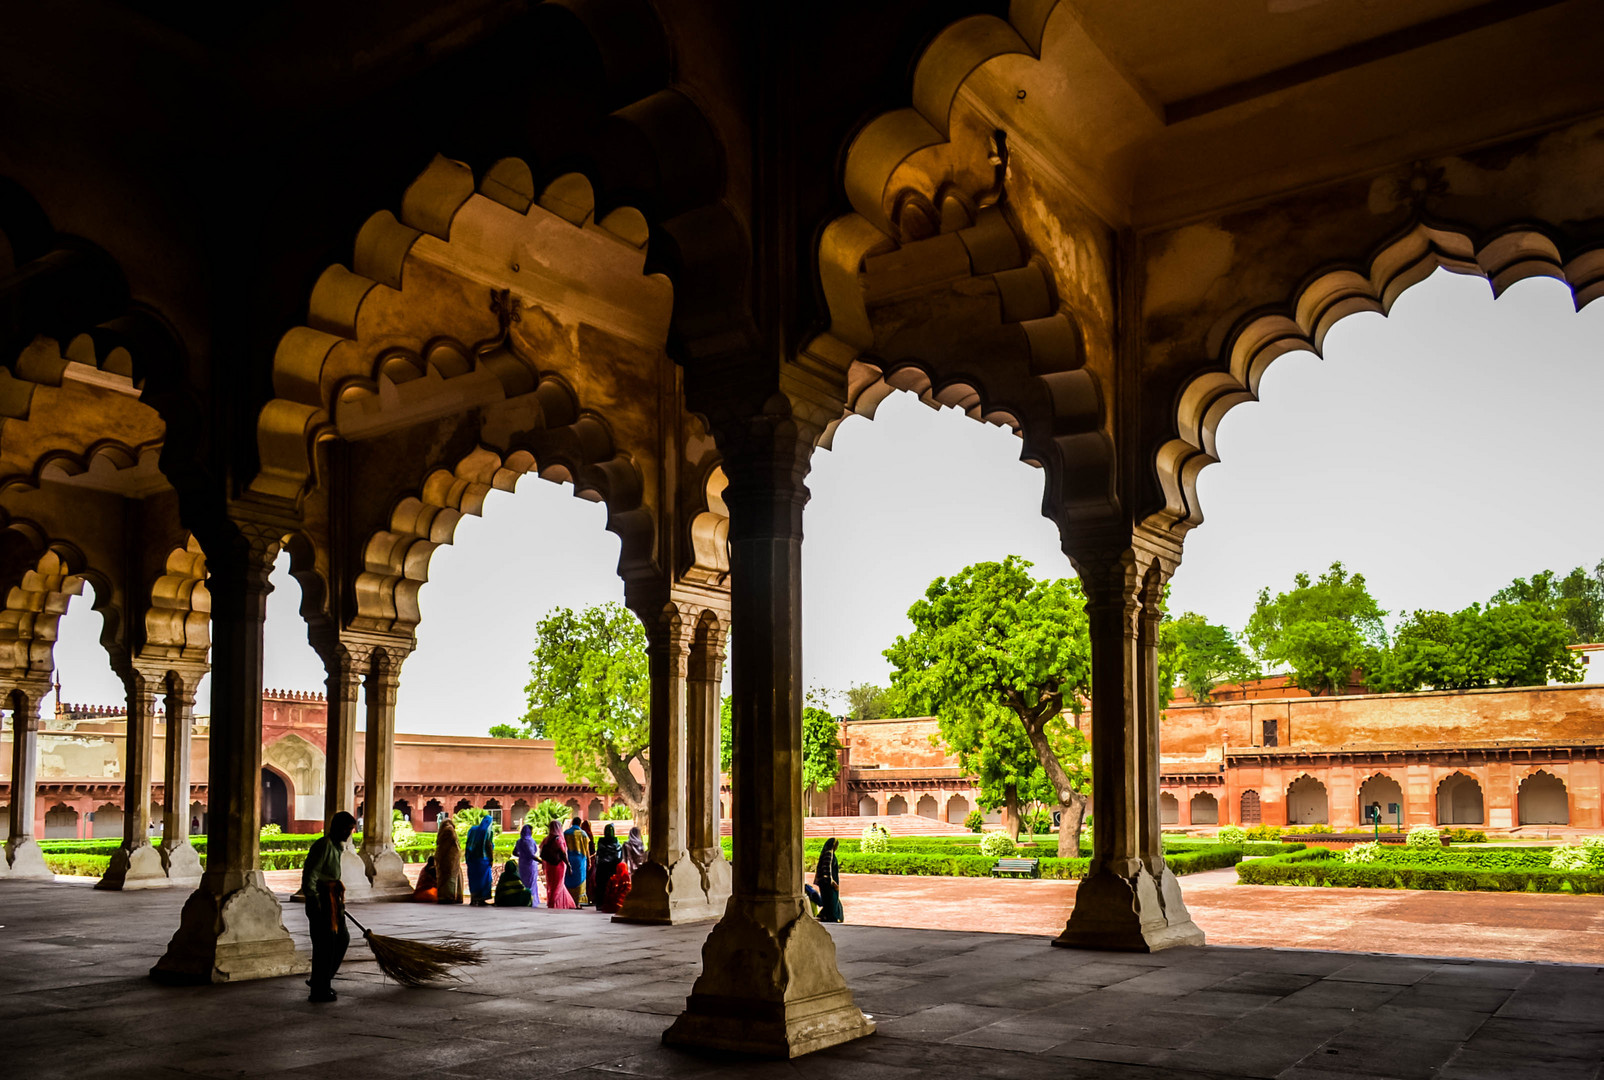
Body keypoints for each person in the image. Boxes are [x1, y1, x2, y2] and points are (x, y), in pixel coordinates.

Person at [301, 810, 357, 1003]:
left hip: (332, 900)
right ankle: (319, 988)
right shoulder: (323, 845)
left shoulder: (336, 846)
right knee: (325, 945)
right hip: (322, 899)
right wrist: (314, 899)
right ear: (339, 828)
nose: (349, 833)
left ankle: (321, 980)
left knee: (341, 939)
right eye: (348, 829)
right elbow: (311, 874)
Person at [540, 819, 577, 909]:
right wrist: (568, 865)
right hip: (558, 866)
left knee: (552, 884)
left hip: (549, 865)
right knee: (558, 885)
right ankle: (553, 903)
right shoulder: (558, 839)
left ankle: (561, 903)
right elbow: (563, 853)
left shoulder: (546, 839)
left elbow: (542, 851)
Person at [592, 824, 625, 913]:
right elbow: (619, 857)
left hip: (602, 868)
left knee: (601, 886)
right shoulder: (616, 843)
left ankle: (600, 904)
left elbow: (598, 855)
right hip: (612, 868)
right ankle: (611, 903)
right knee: (612, 886)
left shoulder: (601, 842)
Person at [465, 813, 495, 907]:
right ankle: (481, 899)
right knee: (484, 880)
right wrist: (491, 859)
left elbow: (468, 844)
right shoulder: (487, 831)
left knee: (474, 880)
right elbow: (488, 846)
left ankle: (473, 899)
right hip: (483, 860)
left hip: (472, 860)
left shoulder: (473, 830)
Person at [564, 816, 592, 906]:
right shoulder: (583, 834)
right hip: (581, 860)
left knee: (568, 879)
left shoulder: (566, 833)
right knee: (580, 880)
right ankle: (577, 902)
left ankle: (568, 900)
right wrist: (590, 862)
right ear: (580, 823)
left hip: (568, 859)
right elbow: (587, 850)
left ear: (572, 823)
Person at [815, 836, 844, 923]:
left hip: (826, 882)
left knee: (830, 900)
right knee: (831, 899)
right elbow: (826, 868)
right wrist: (831, 882)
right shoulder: (829, 854)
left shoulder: (827, 853)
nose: (836, 847)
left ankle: (828, 915)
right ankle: (831, 916)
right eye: (836, 845)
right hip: (828, 883)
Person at [512, 822, 541, 907]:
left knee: (523, 882)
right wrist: (541, 861)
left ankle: (524, 900)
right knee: (531, 883)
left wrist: (522, 855)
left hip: (522, 864)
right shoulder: (529, 841)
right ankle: (530, 901)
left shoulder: (519, 841)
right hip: (530, 865)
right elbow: (531, 855)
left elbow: (514, 852)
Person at [435, 817, 464, 904]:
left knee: (444, 877)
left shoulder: (443, 832)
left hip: (445, 858)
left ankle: (444, 896)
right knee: (450, 877)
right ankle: (449, 896)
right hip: (451, 859)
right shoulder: (449, 831)